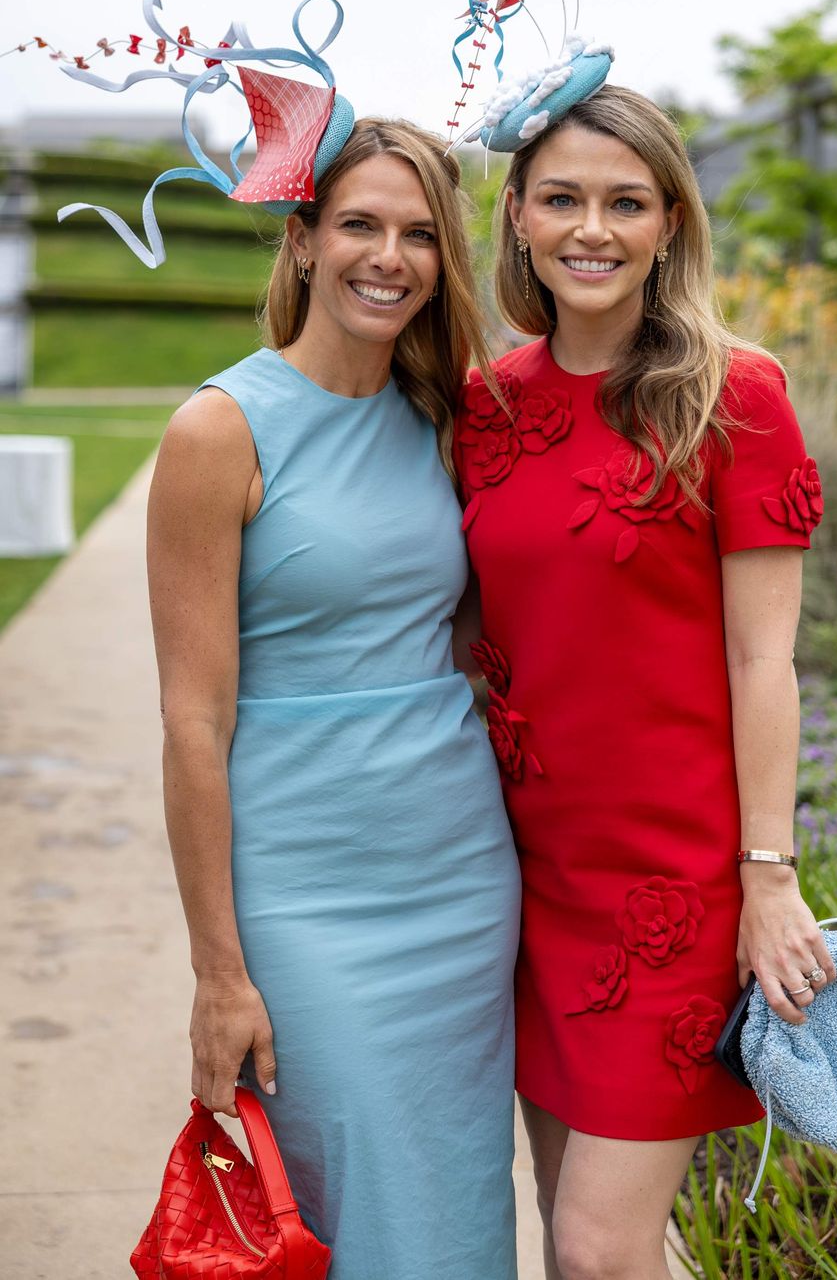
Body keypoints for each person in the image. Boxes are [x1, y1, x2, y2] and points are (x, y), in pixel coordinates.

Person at [455, 84, 835, 1280]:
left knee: (593, 1250)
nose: (591, 229)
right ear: (515, 214)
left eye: (626, 202)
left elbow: (760, 658)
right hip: (513, 879)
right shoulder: (480, 405)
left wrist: (765, 877)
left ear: (670, 222)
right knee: (584, 1231)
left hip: (668, 888)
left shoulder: (734, 396)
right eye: (560, 198)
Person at [147, 116, 521, 1280]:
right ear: (302, 239)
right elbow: (192, 725)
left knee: (454, 1192)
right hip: (305, 895)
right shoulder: (220, 430)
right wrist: (219, 972)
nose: (389, 256)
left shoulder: (446, 419)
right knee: (336, 1209)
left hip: (458, 879)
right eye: (359, 223)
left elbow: (469, 641)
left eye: (418, 233)